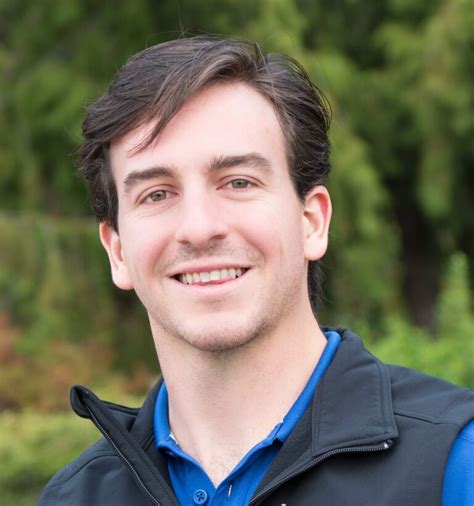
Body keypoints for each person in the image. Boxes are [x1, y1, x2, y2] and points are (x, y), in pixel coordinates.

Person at [38, 36, 473, 506]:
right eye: (157, 194)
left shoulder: (454, 465)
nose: (199, 228)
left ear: (312, 222)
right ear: (118, 250)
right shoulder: (72, 499)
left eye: (238, 182)